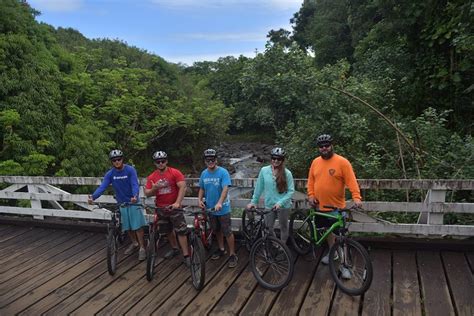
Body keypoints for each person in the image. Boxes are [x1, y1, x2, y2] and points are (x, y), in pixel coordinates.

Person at [307, 134, 362, 275]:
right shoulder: (315, 162)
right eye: (321, 146)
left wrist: (356, 197)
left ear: (332, 146)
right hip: (320, 207)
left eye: (327, 145)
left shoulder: (342, 162)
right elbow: (311, 181)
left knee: (341, 238)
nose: (324, 148)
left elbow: (352, 181)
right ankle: (333, 253)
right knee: (327, 232)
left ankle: (344, 266)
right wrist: (311, 196)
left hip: (336, 207)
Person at [88, 149, 147, 261]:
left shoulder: (130, 170)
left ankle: (142, 248)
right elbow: (102, 187)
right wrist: (93, 197)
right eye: (114, 160)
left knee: (137, 226)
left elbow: (135, 184)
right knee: (128, 226)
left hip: (133, 201)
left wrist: (135, 195)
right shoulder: (110, 174)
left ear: (122, 159)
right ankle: (134, 244)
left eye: (119, 159)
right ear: (112, 162)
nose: (117, 162)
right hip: (121, 202)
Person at [144, 150, 190, 266]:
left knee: (181, 231)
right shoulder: (152, 177)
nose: (160, 163)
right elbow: (147, 193)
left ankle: (186, 255)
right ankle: (175, 248)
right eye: (158, 162)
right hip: (161, 208)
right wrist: (154, 188)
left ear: (166, 161)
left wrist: (178, 202)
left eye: (163, 161)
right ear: (155, 163)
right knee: (168, 230)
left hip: (174, 207)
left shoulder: (175, 172)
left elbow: (182, 186)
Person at [198, 149, 238, 268]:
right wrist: (199, 200)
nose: (210, 162)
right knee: (216, 230)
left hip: (223, 208)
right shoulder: (204, 173)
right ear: (205, 161)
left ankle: (232, 254)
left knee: (227, 231)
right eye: (208, 160)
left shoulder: (223, 172)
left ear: (216, 160)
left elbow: (225, 188)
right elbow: (201, 188)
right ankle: (221, 249)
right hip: (210, 208)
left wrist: (220, 202)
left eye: (213, 159)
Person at [247, 147, 295, 243]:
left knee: (284, 227)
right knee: (268, 227)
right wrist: (254, 201)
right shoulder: (264, 170)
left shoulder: (287, 173)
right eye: (274, 158)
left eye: (279, 159)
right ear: (271, 158)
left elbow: (291, 191)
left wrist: (280, 203)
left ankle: (283, 247)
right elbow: (259, 187)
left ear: (282, 160)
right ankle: (275, 244)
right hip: (269, 205)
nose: (276, 161)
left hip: (283, 205)